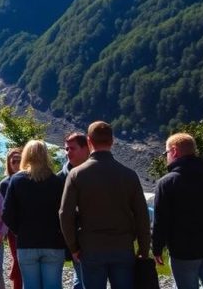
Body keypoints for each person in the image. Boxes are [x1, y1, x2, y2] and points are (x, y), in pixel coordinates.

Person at [60, 122, 151, 289]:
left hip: (90, 247)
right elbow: (142, 214)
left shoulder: (76, 174)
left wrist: (73, 247)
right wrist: (144, 248)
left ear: (89, 141)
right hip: (122, 246)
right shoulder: (129, 175)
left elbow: (65, 214)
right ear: (112, 141)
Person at [151, 133, 203, 289]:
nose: (166, 157)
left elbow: (161, 220)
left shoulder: (166, 183)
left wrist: (157, 248)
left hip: (183, 251)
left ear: (174, 151)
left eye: (166, 153)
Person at [2, 142, 66, 289]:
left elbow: (6, 214)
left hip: (27, 243)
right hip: (53, 243)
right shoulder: (56, 181)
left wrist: (19, 231)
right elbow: (64, 212)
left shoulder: (17, 180)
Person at [59, 133, 90, 289]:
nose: (68, 152)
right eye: (66, 149)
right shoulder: (60, 179)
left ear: (86, 148)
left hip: (95, 238)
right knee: (81, 278)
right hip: (75, 241)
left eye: (72, 148)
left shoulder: (96, 173)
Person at [0, 148, 24, 289]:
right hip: (13, 231)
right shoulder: (5, 183)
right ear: (9, 163)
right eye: (13, 161)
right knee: (17, 259)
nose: (16, 164)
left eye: (19, 160)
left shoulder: (30, 179)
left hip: (29, 229)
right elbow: (4, 210)